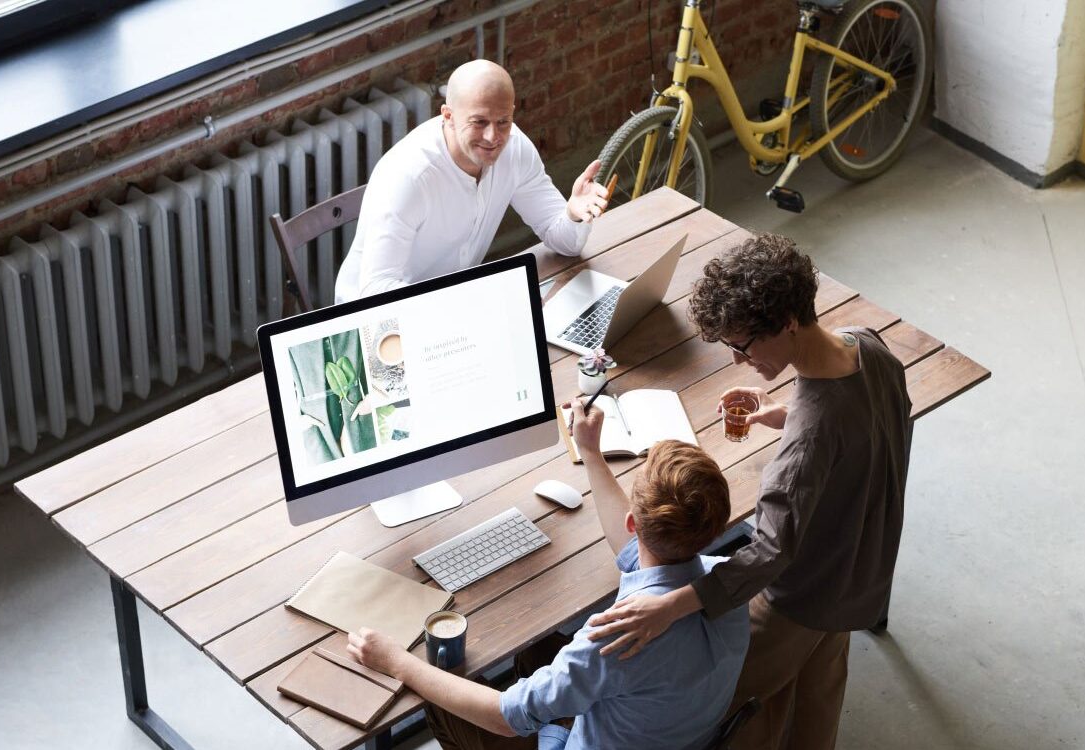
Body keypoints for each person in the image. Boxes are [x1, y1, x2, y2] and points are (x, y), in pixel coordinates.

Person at [581, 234, 916, 749]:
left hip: (800, 596)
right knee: (818, 700)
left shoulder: (808, 443)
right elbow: (869, 417)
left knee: (727, 702)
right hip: (858, 571)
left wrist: (672, 607)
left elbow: (770, 551)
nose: (738, 361)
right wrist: (791, 414)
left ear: (785, 324)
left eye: (742, 346)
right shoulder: (864, 343)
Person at [347, 400, 750, 750]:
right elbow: (636, 553)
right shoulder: (730, 584)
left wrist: (397, 661)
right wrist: (590, 452)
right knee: (537, 648)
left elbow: (505, 717)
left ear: (632, 521)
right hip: (678, 734)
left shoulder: (616, 636)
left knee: (440, 693)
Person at [333, 59, 610, 303]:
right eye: (479, 122)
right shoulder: (410, 177)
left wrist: (573, 214)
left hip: (456, 304)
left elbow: (566, 243)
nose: (493, 137)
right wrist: (464, 309)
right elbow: (376, 292)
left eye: (503, 121)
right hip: (379, 320)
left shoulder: (515, 150)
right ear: (449, 117)